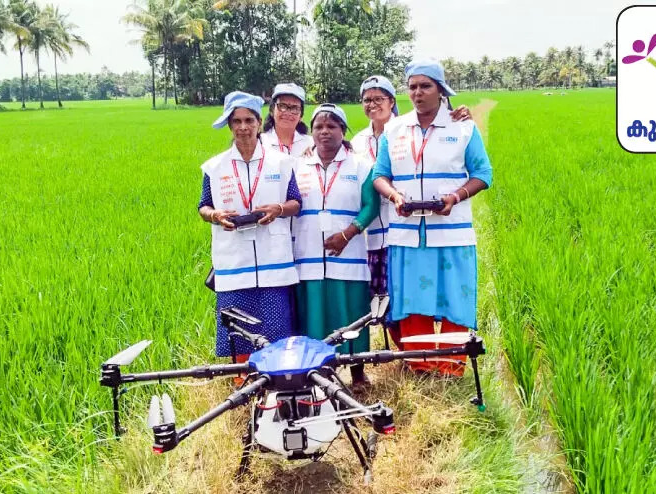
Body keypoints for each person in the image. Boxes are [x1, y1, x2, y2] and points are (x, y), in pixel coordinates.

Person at [372, 60, 493, 377]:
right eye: (412, 86)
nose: (417, 92)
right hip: (407, 233)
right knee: (413, 301)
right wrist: (395, 196)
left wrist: (455, 197)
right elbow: (379, 175)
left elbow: (483, 174)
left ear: (441, 90)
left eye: (425, 86)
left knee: (454, 298)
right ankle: (421, 367)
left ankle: (450, 368)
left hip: (451, 232)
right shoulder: (394, 130)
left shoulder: (463, 128)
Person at [352, 75, 473, 347]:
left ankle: (417, 354)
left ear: (392, 101)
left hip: (405, 230)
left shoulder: (408, 128)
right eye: (367, 100)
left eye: (379, 99)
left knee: (403, 297)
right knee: (381, 298)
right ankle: (410, 354)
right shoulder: (356, 142)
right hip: (374, 233)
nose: (373, 105)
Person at [198, 91, 302, 363]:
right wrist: (215, 215)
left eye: (249, 120)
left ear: (259, 123)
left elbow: (296, 202)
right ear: (229, 126)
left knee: (275, 321)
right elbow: (203, 206)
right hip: (234, 258)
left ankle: (276, 375)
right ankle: (243, 378)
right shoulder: (214, 167)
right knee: (237, 322)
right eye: (236, 121)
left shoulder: (281, 163)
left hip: (273, 256)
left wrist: (278, 209)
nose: (243, 127)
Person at [292, 104, 379, 389]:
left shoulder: (362, 166)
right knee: (314, 314)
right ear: (311, 132)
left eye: (332, 126)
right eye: (318, 126)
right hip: (309, 255)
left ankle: (356, 372)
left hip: (349, 253)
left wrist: (348, 233)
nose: (325, 132)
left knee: (350, 313)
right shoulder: (297, 166)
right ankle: (316, 375)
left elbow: (371, 206)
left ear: (343, 131)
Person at [260, 83, 314, 158]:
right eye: (282, 106)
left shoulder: (311, 144)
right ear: (272, 110)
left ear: (301, 116)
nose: (288, 113)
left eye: (294, 108)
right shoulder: (260, 143)